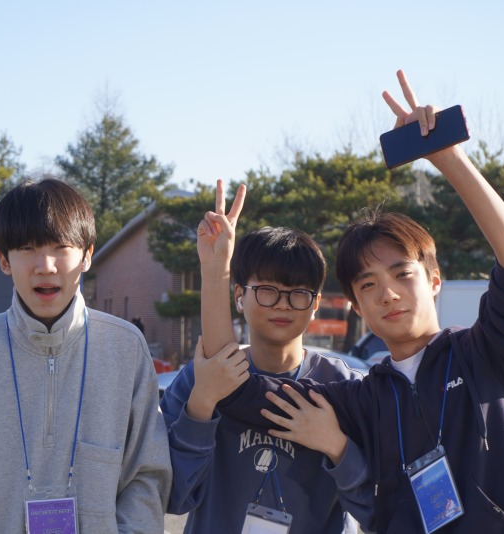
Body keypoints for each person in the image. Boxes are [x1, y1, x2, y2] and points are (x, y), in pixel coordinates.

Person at [215, 70, 504, 533]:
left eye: (402, 274)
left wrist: (447, 158)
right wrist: (217, 269)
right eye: (368, 284)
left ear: (435, 280)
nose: (388, 293)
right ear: (356, 305)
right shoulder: (361, 397)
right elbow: (234, 388)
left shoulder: (488, 353)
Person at [0, 178, 172, 533]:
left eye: (61, 247)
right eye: (27, 248)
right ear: (4, 260)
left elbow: (146, 475)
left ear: (87, 256)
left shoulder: (125, 348)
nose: (45, 265)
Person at [160, 181, 374, 533]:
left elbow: (375, 506)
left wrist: (337, 447)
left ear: (316, 304)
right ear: (239, 296)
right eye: (268, 290)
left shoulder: (342, 386)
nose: (282, 304)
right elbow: (171, 496)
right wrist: (201, 405)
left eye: (298, 293)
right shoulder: (201, 376)